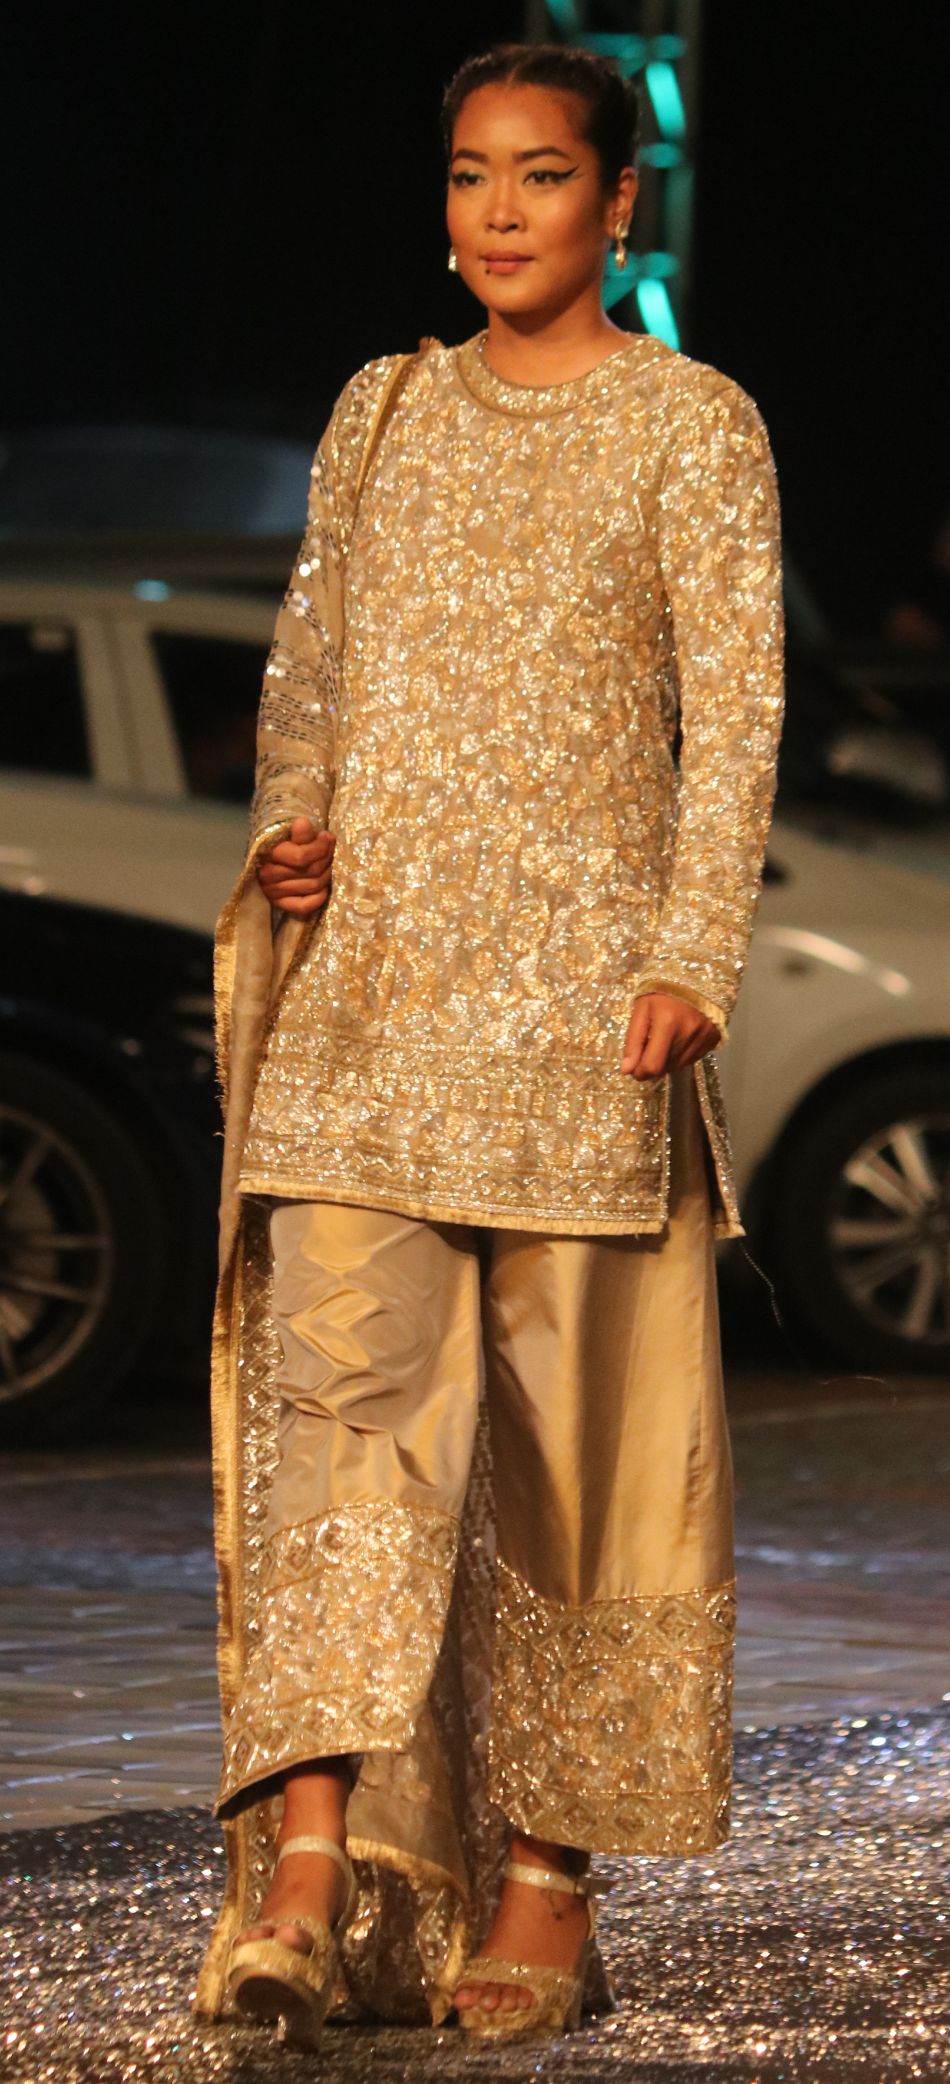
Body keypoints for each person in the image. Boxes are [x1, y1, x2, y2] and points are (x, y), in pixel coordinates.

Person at [195, 40, 784, 2049]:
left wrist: (690, 952)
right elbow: (313, 669)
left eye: (540, 173)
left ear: (617, 202)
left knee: (571, 1459)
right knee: (336, 1425)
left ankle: (544, 1883)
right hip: (366, 1012)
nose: (499, 208)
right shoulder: (382, 408)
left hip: (582, 1028)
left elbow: (736, 712)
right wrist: (294, 822)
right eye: (468, 173)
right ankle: (309, 1872)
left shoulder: (692, 424)